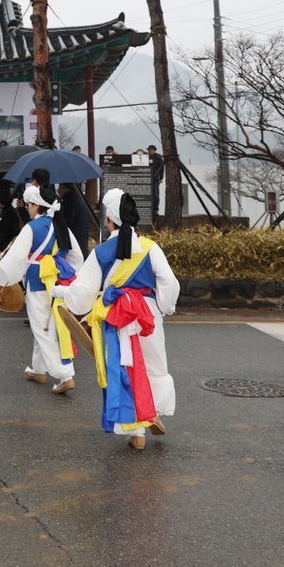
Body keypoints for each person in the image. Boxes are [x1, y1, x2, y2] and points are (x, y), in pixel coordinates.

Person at [53, 189, 180, 450]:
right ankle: (153, 410)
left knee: (124, 369)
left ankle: (137, 431)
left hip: (117, 315)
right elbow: (168, 281)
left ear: (109, 221)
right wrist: (164, 307)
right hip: (146, 313)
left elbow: (82, 294)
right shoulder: (150, 247)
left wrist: (62, 293)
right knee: (154, 364)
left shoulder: (101, 252)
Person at [0, 183, 84, 395]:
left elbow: (14, 259)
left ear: (37, 206)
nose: (27, 208)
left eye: (29, 205)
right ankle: (38, 369)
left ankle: (64, 375)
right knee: (47, 325)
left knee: (43, 328)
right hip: (58, 283)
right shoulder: (61, 226)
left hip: (37, 283)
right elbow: (76, 257)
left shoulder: (31, 228)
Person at [59, 182, 91, 258]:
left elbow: (68, 221)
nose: (58, 191)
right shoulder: (78, 199)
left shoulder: (69, 201)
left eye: (58, 189)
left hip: (74, 242)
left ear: (63, 188)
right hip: (82, 240)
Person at [147, 145, 164, 216]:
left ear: (154, 150)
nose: (149, 151)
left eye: (151, 150)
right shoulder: (145, 157)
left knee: (156, 196)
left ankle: (156, 209)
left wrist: (161, 177)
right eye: (148, 150)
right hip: (147, 179)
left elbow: (162, 168)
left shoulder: (158, 157)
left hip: (155, 180)